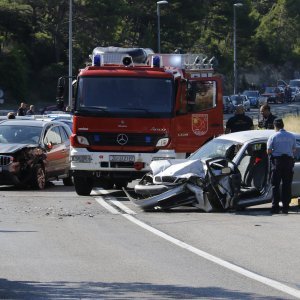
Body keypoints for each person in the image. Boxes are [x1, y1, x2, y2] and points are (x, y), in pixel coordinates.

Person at [267, 118, 296, 214]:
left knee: (275, 185)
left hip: (277, 162)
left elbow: (269, 151)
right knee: (287, 185)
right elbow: (294, 150)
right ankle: (285, 208)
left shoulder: (273, 136)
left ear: (275, 126)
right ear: (283, 125)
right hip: (288, 162)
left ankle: (275, 207)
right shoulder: (291, 136)